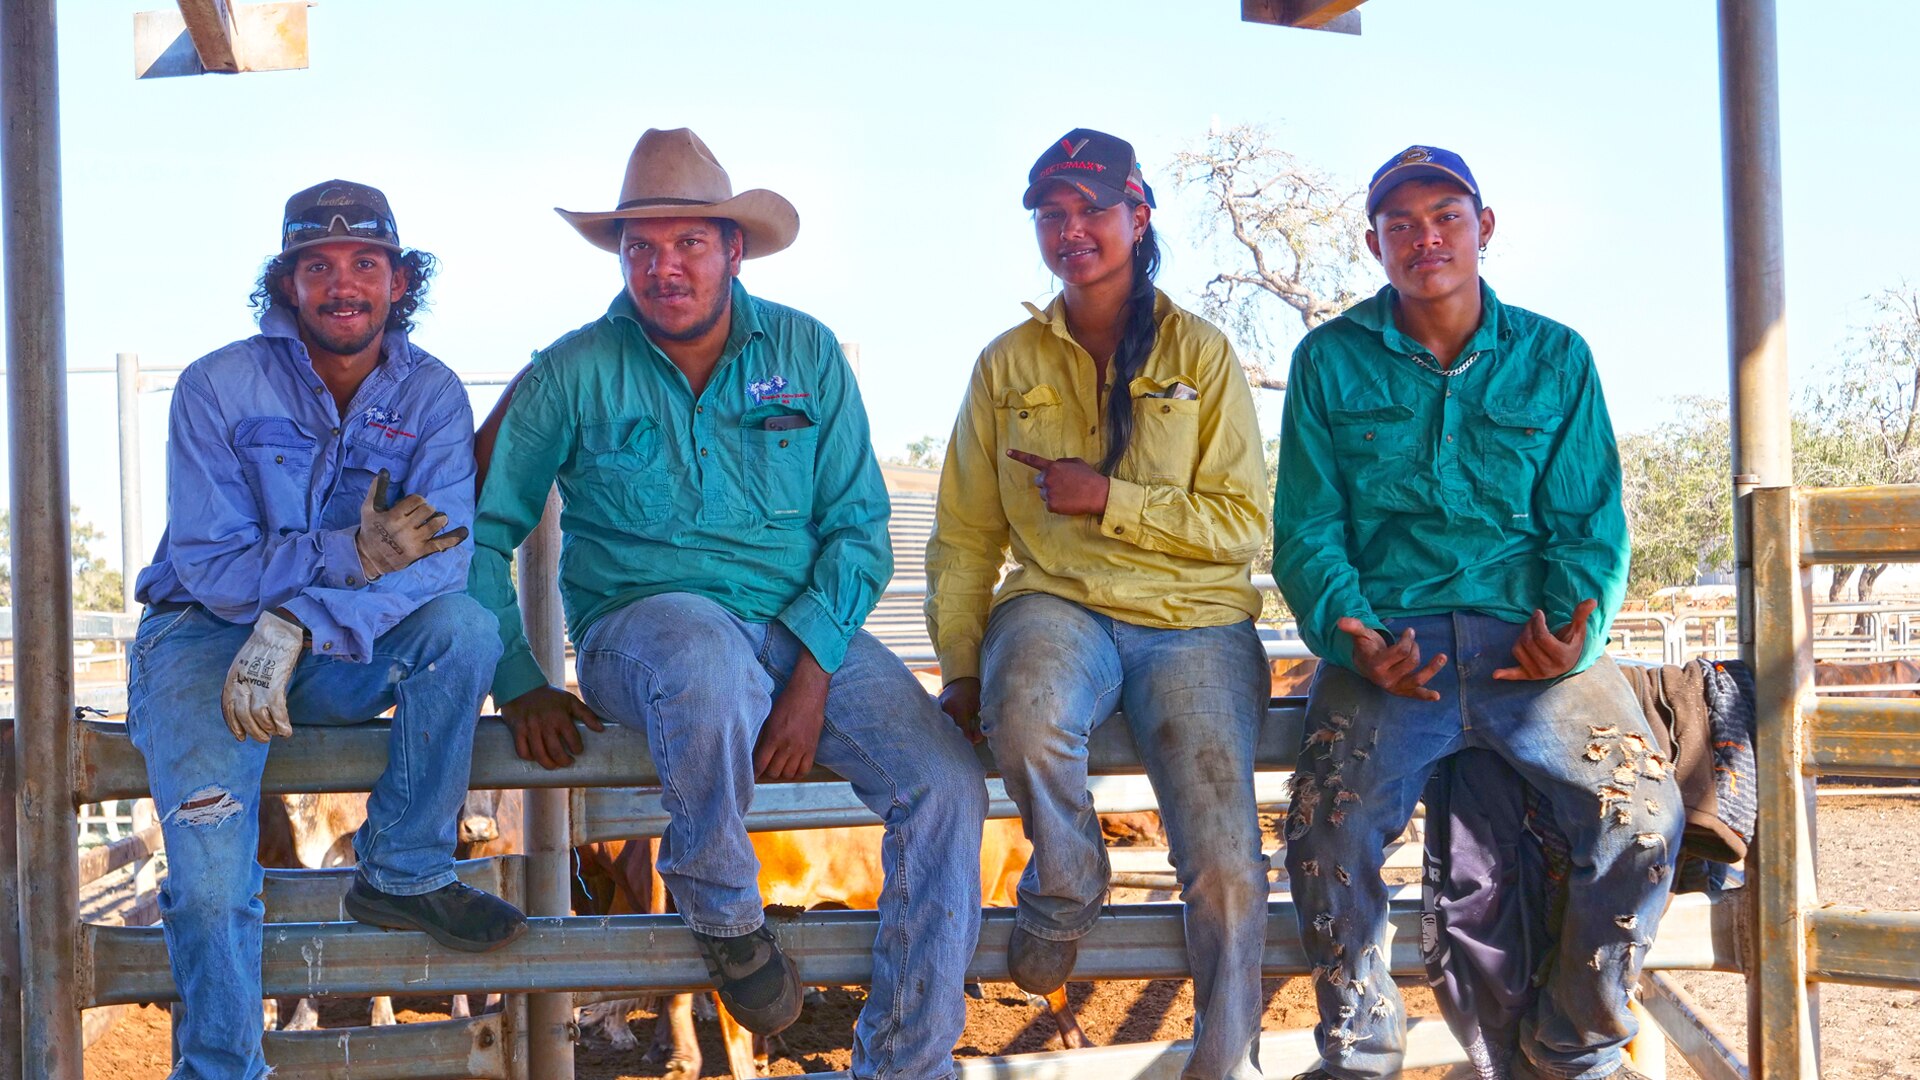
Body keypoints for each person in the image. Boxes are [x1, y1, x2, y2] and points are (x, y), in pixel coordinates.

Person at [467, 128, 988, 1079]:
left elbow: (860, 527)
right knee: (706, 661)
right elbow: (480, 527)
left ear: (733, 247)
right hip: (643, 627)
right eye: (640, 249)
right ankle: (723, 908)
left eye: (688, 244)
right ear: (619, 256)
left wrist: (812, 675)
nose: (663, 268)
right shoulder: (574, 369)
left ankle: (909, 1062)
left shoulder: (806, 350)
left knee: (948, 785)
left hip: (803, 625)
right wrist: (519, 679)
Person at [1271, 145, 1682, 1080]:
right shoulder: (1329, 360)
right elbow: (1307, 526)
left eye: (1446, 217)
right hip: (1393, 651)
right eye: (1401, 223)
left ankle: (1579, 1044)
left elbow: (1589, 521)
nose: (1426, 238)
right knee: (1325, 827)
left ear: (1483, 229)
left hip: (1528, 653)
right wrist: (1352, 634)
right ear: (1373, 241)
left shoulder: (1555, 355)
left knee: (1644, 817)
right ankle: (1362, 1049)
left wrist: (1574, 628)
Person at [127, 180, 525, 1080]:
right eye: (318, 266)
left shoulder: (430, 396)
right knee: (214, 873)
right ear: (287, 282)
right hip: (201, 637)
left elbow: (434, 564)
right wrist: (348, 552)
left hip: (327, 644)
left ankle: (406, 868)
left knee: (461, 630)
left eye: (364, 264)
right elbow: (213, 564)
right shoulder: (216, 386)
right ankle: (223, 1067)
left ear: (398, 279)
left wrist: (304, 619)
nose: (342, 284)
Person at [925, 128, 1273, 1080]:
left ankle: (1224, 1060)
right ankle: (1069, 882)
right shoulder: (1006, 364)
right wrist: (961, 666)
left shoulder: (1198, 352)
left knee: (1226, 864)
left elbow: (1243, 522)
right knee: (1025, 713)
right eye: (1052, 214)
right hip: (1059, 603)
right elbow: (964, 534)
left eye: (1092, 210)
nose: (1071, 229)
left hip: (1193, 618)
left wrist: (1108, 498)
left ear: (1139, 216)